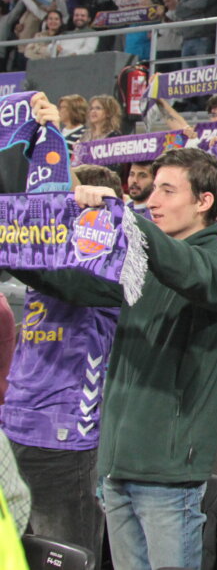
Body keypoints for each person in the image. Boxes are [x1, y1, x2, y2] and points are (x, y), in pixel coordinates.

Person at [18, 94, 217, 570]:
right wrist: (18, 249)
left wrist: (127, 220)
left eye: (167, 190)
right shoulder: (141, 262)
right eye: (153, 190)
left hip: (168, 475)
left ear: (204, 202)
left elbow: (189, 271)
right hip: (116, 467)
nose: (153, 200)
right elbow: (73, 283)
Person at [3, 163, 122, 570]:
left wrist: (52, 151)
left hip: (65, 436)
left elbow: (57, 275)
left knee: (65, 557)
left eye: (63, 205)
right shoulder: (48, 259)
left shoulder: (106, 270)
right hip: (15, 424)